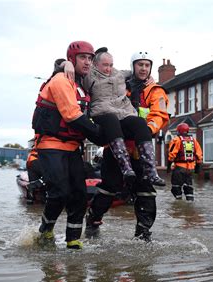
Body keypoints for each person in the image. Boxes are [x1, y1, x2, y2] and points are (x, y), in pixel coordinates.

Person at [85, 50, 170, 242]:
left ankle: (143, 234)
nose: (143, 68)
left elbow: (160, 116)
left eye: (147, 65)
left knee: (146, 193)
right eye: (140, 65)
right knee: (108, 188)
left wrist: (146, 130)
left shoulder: (155, 91)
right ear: (133, 67)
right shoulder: (121, 85)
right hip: (115, 149)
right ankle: (93, 221)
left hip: (140, 151)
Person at [31, 40, 102, 249]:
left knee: (80, 195)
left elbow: (112, 76)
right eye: (83, 58)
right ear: (72, 60)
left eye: (90, 58)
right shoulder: (62, 79)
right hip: (51, 145)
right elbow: (71, 115)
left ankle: (73, 239)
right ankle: (45, 231)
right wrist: (100, 135)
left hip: (72, 148)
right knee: (60, 192)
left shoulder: (83, 84)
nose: (88, 62)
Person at [62, 47, 165, 186]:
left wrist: (149, 78)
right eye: (105, 65)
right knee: (111, 120)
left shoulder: (120, 74)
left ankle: (151, 171)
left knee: (140, 122)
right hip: (103, 112)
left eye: (111, 65)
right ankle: (126, 168)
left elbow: (137, 74)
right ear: (95, 64)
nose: (108, 69)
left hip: (123, 112)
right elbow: (72, 70)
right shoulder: (89, 75)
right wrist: (64, 63)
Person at [167, 123, 203, 201]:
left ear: (178, 131)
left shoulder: (176, 140)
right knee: (189, 187)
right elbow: (199, 155)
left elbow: (171, 154)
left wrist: (168, 168)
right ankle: (190, 202)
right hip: (190, 169)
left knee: (175, 188)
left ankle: (179, 204)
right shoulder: (194, 140)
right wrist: (197, 169)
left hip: (179, 168)